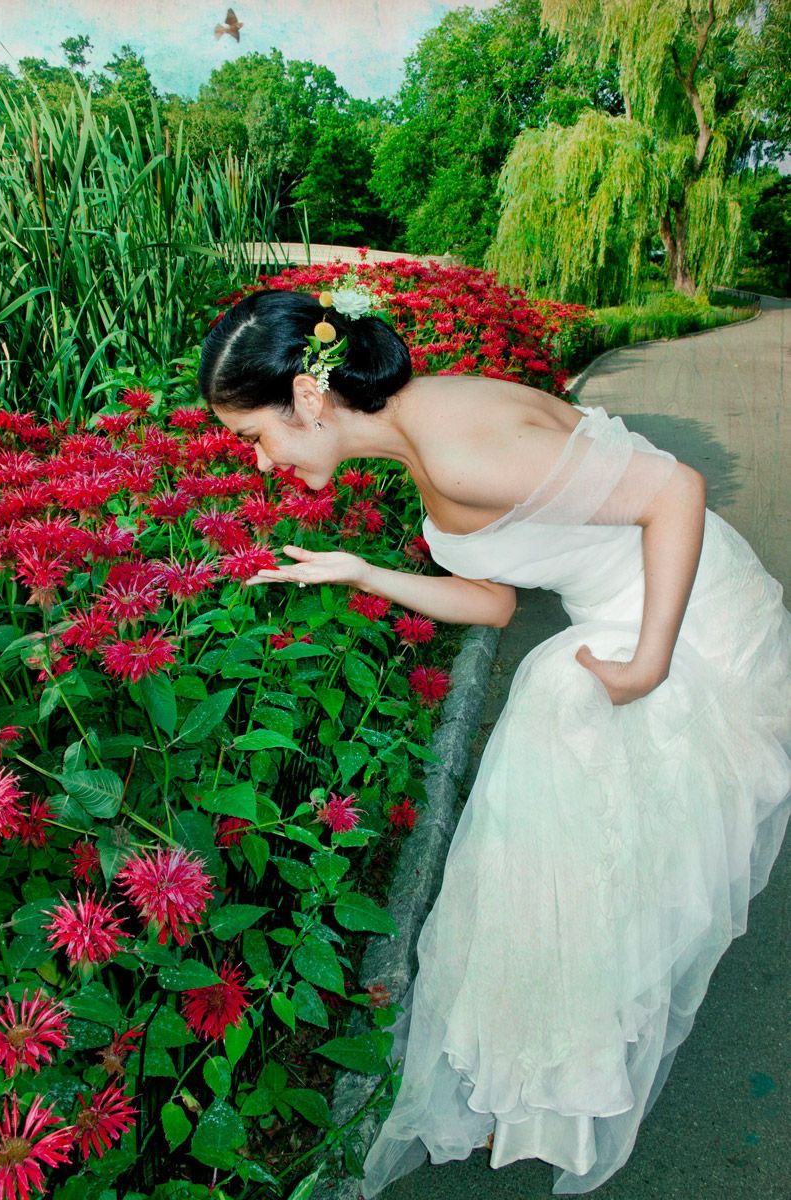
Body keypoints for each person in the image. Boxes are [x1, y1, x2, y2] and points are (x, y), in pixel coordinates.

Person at [199, 287, 791, 1195]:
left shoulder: (456, 444)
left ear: (309, 399)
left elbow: (676, 489)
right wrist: (364, 570)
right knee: (563, 837)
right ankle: (558, 1072)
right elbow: (495, 602)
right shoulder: (426, 431)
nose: (263, 460)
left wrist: (652, 661)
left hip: (689, 617)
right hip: (627, 615)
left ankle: (567, 1073)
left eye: (254, 436)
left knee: (579, 825)